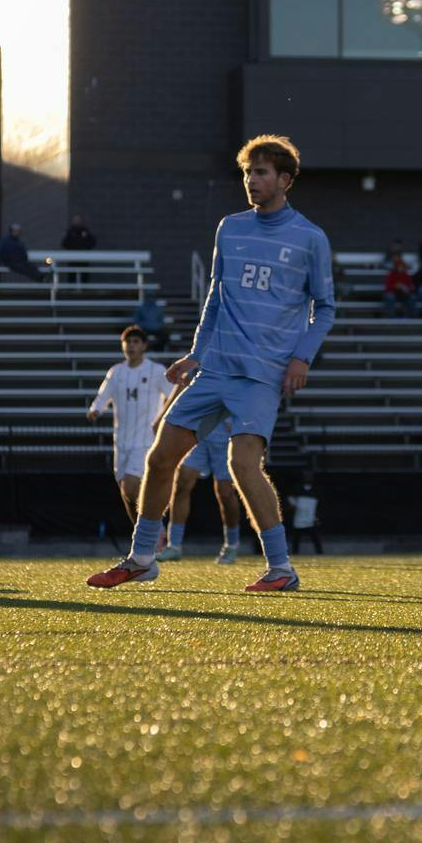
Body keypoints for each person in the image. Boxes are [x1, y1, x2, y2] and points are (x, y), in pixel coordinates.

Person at [87, 136, 334, 594]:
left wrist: (302, 357)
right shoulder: (230, 227)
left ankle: (281, 568)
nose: (251, 181)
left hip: (261, 376)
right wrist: (196, 354)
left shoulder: (309, 238)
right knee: (160, 459)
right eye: (247, 173)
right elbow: (215, 299)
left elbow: (326, 308)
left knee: (243, 466)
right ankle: (143, 558)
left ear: (284, 180)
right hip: (214, 369)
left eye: (260, 173)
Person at [86, 325, 170, 537]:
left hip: (145, 441)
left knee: (131, 487)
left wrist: (163, 419)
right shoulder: (116, 372)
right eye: (128, 342)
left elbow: (171, 395)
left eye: (135, 342)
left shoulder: (156, 370)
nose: (131, 346)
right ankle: (146, 533)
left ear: (144, 346)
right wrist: (95, 409)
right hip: (121, 441)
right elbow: (103, 396)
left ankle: (153, 529)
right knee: (126, 492)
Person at [163, 420, 245, 563]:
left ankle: (231, 545)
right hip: (198, 431)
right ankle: (174, 546)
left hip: (226, 434)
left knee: (225, 493)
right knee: (182, 483)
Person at [287, 477, 322, 555]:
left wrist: (316, 517)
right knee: (296, 538)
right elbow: (291, 500)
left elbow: (318, 506)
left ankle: (320, 553)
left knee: (316, 538)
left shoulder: (316, 490)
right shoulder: (297, 489)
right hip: (299, 520)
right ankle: (295, 553)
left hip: (310, 519)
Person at [382, 247, 416, 317]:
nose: (400, 268)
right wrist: (396, 286)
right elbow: (387, 288)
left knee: (412, 297)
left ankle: (412, 317)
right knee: (389, 296)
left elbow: (411, 287)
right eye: (399, 266)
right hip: (394, 293)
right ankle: (390, 317)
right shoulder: (391, 274)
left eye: (402, 266)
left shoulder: (406, 275)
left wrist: (406, 288)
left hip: (403, 294)